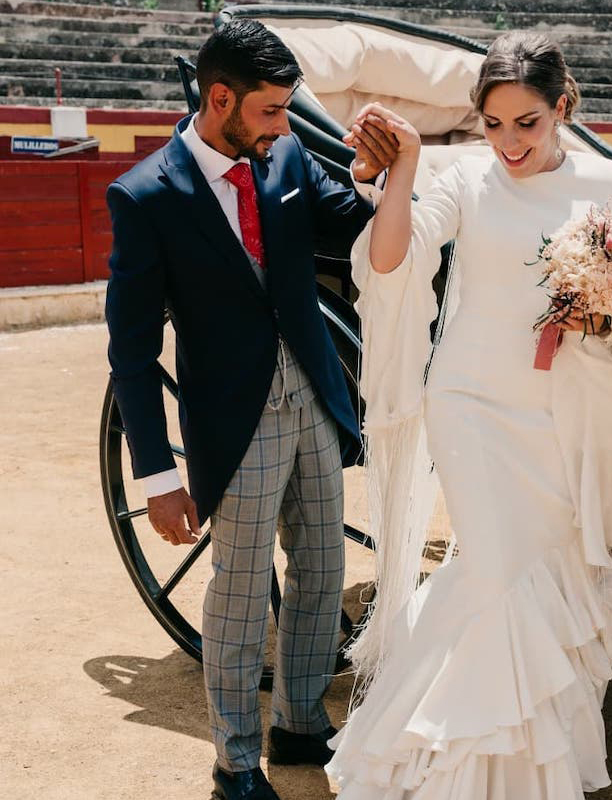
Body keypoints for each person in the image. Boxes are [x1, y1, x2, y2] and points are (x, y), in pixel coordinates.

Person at [325, 31, 612, 798]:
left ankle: (533, 757)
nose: (508, 143)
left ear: (561, 108)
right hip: (471, 405)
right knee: (496, 573)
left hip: (567, 411)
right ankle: (454, 767)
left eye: (526, 122)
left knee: (553, 571)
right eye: (493, 125)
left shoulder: (607, 183)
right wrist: (402, 174)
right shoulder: (464, 178)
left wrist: (608, 312)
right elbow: (391, 261)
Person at [104, 20, 394, 800]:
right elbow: (132, 353)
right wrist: (158, 476)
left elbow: (349, 221)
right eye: (270, 109)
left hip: (316, 394)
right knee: (238, 593)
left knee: (324, 568)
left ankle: (299, 720)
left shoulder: (288, 152)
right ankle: (234, 760)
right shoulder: (144, 194)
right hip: (236, 420)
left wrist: (374, 178)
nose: (283, 124)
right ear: (219, 97)